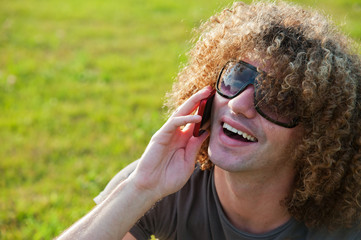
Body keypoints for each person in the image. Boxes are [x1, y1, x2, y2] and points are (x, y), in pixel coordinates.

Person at [57, 1, 361, 239]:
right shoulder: (168, 181)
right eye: (236, 77)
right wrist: (141, 188)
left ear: (317, 136)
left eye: (278, 99)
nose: (238, 104)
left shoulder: (346, 223)